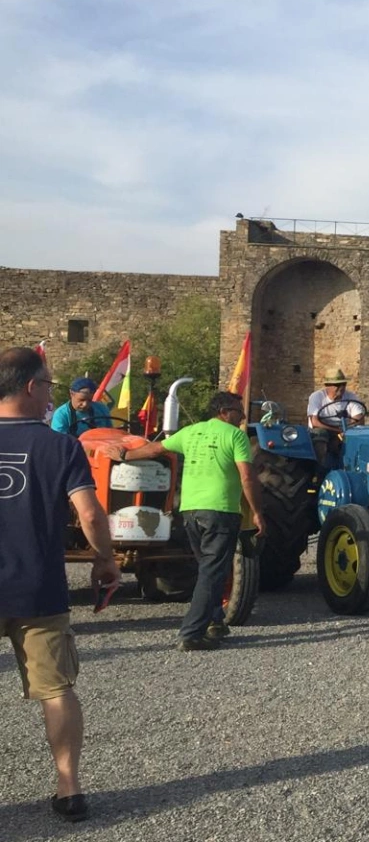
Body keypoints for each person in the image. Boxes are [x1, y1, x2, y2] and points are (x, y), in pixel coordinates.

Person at [0, 346, 120, 822]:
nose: (51, 392)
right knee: (56, 690)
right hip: (39, 589)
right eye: (49, 384)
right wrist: (105, 559)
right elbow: (89, 513)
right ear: (31, 387)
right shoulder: (61, 446)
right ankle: (69, 789)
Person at [101, 392, 264, 649]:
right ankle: (191, 633)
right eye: (238, 410)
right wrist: (257, 512)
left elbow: (155, 448)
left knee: (207, 569)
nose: (243, 416)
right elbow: (247, 476)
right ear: (223, 412)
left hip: (190, 511)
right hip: (220, 511)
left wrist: (123, 456)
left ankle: (215, 622)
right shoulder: (235, 436)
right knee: (212, 572)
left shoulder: (190, 432)